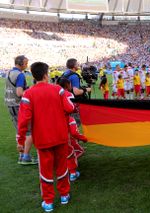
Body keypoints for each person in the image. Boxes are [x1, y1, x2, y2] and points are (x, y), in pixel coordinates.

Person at [17, 62, 75, 212]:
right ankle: (64, 195)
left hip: (42, 139)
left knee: (46, 170)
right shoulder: (58, 90)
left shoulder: (28, 94)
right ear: (45, 75)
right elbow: (70, 108)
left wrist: (20, 140)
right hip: (60, 136)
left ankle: (48, 202)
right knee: (62, 166)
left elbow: (23, 120)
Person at [4, 55, 37, 165]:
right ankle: (25, 157)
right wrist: (30, 92)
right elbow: (19, 93)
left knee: (20, 130)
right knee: (29, 131)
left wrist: (27, 88)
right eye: (26, 63)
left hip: (10, 104)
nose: (27, 65)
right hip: (19, 106)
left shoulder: (9, 72)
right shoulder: (20, 75)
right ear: (21, 64)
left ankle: (22, 154)